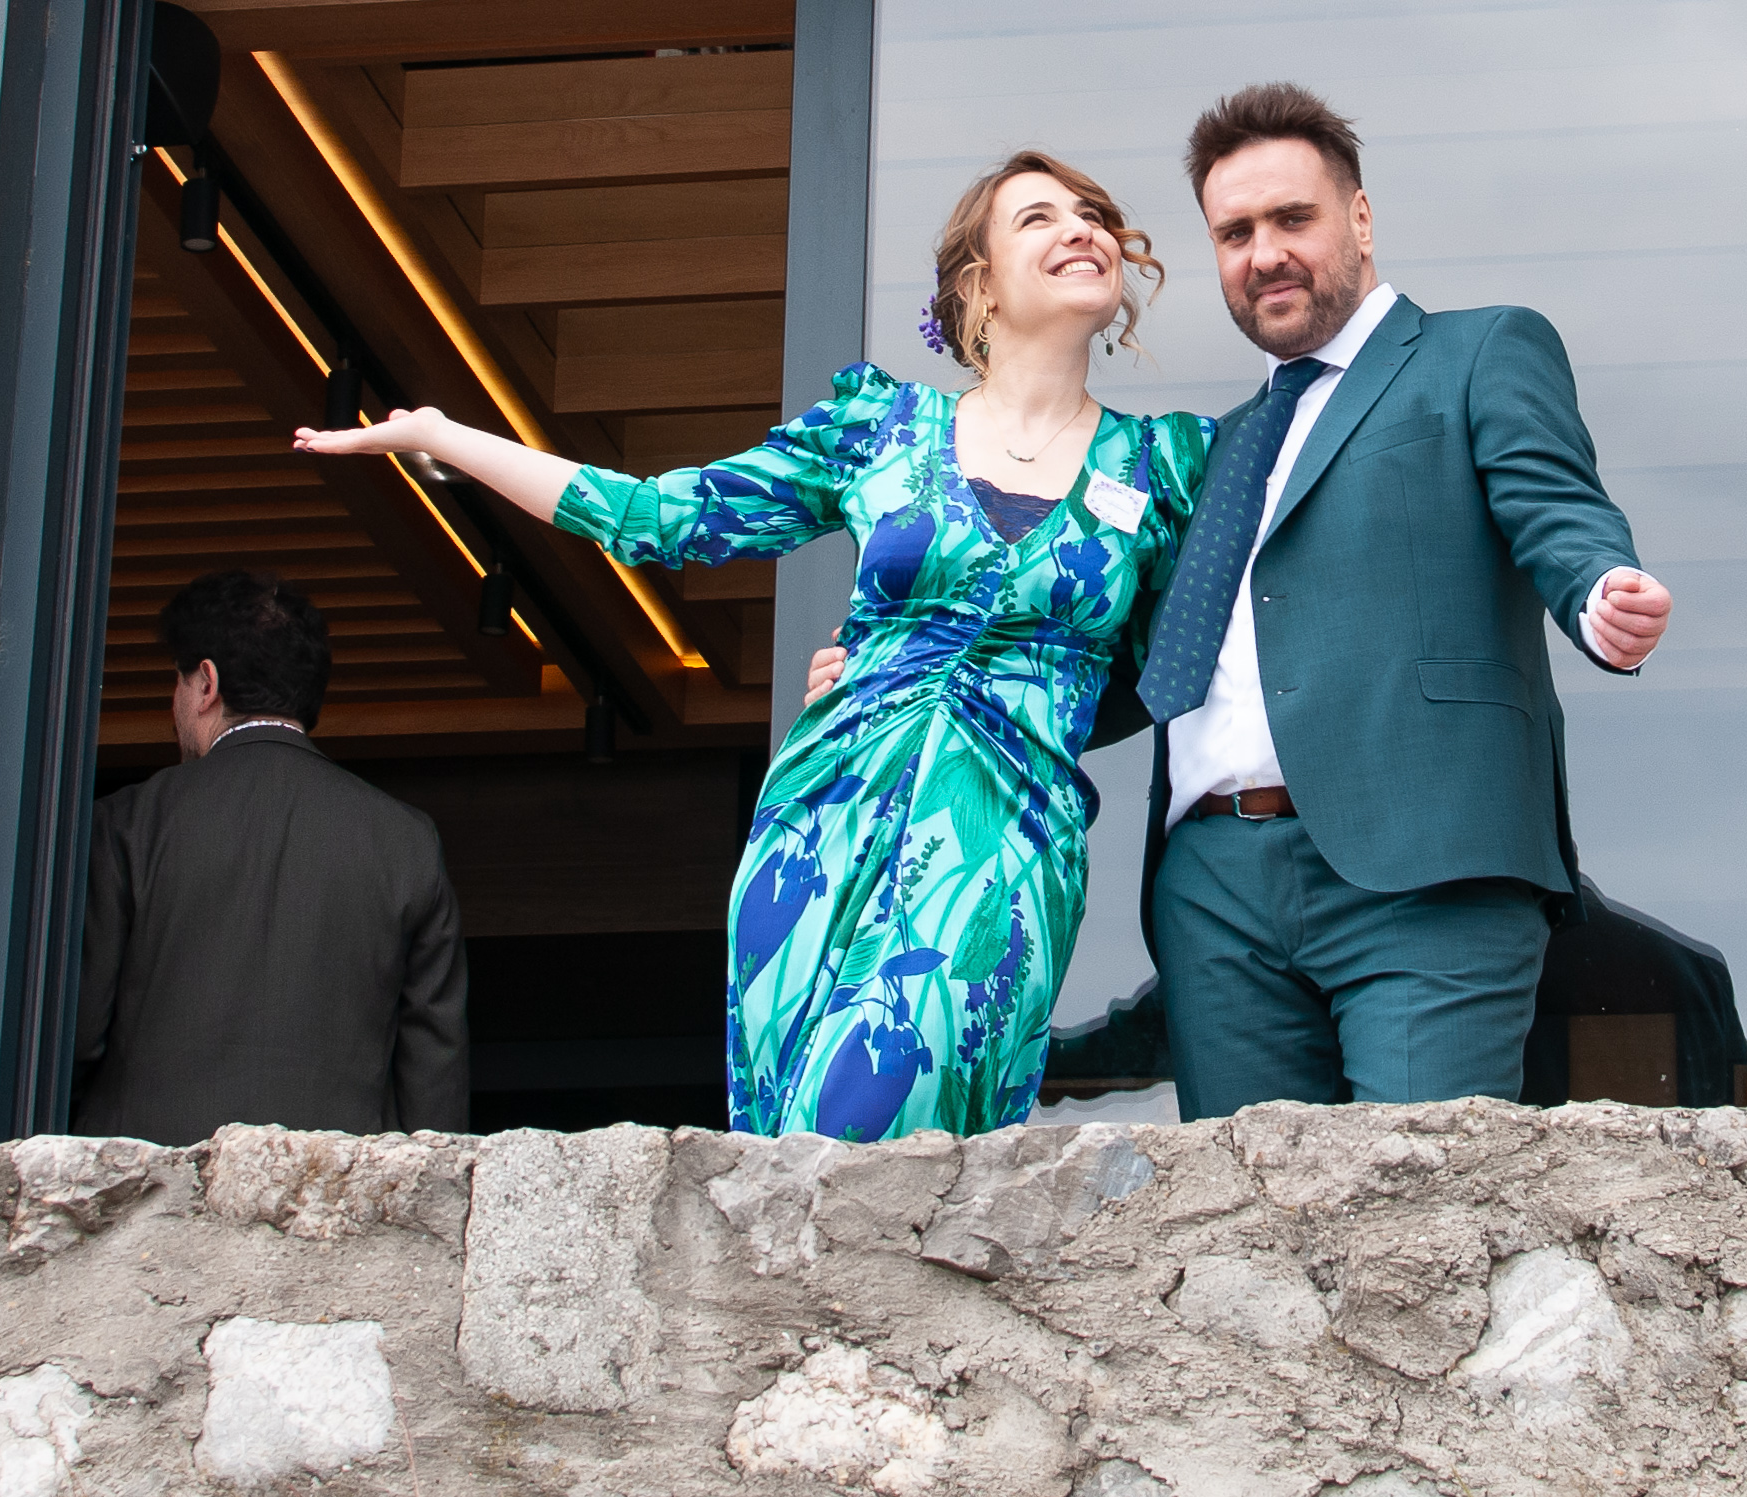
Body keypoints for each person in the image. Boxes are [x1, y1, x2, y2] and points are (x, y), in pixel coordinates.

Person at [297, 153, 1207, 1142]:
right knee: (791, 1139)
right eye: (1038, 216)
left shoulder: (1162, 465)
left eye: (1092, 213)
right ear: (980, 285)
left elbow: (1180, 665)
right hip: (825, 819)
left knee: (883, 1084)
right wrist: (446, 435)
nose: (1081, 228)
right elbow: (658, 515)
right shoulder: (881, 430)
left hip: (1001, 838)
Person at [814, 84, 1673, 1121]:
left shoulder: (1477, 351)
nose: (1264, 252)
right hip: (1213, 893)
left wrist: (1599, 591)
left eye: (1291, 219)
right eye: (1235, 232)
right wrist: (902, 678)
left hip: (1426, 870)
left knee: (1415, 1197)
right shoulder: (1211, 450)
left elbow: (1556, 510)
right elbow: (1126, 658)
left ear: (1359, 218)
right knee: (1245, 1217)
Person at [73, 570, 468, 1144]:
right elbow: (433, 1071)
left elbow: (79, 1035)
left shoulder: (128, 823)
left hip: (151, 1176)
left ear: (206, 683)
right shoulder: (406, 839)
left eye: (178, 682)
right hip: (335, 1184)